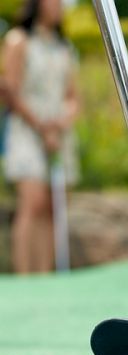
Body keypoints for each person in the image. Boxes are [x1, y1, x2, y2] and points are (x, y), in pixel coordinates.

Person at [2, 0, 79, 274]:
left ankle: (45, 275)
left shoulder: (64, 48)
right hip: (27, 129)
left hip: (58, 133)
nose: (59, 5)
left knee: (52, 206)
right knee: (32, 202)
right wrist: (42, 127)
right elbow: (9, 90)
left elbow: (72, 97)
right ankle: (25, 277)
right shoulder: (18, 40)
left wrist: (60, 123)